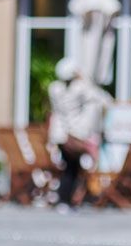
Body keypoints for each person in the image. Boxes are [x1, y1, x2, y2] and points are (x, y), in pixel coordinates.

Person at [47, 58, 109, 210]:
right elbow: (103, 99)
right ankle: (65, 200)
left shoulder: (54, 88)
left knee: (69, 167)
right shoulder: (79, 88)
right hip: (74, 134)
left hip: (60, 135)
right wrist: (84, 78)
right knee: (72, 168)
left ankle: (65, 199)